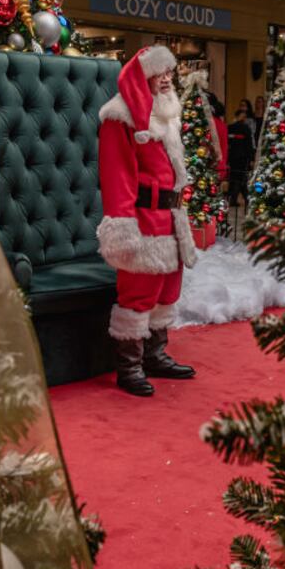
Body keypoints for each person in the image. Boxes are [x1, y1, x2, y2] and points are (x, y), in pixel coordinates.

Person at [97, 46, 198, 397]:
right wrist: (123, 226)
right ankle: (130, 367)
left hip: (171, 217)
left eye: (169, 71)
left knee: (167, 292)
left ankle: (155, 355)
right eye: (159, 73)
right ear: (143, 78)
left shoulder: (165, 115)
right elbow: (117, 176)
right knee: (138, 294)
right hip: (141, 219)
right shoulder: (119, 117)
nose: (167, 78)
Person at [226, 110, 254, 205]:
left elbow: (228, 143)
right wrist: (251, 158)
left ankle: (236, 198)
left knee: (235, 177)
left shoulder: (230, 127)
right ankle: (244, 198)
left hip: (233, 157)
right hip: (243, 157)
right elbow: (249, 144)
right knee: (241, 178)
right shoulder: (246, 128)